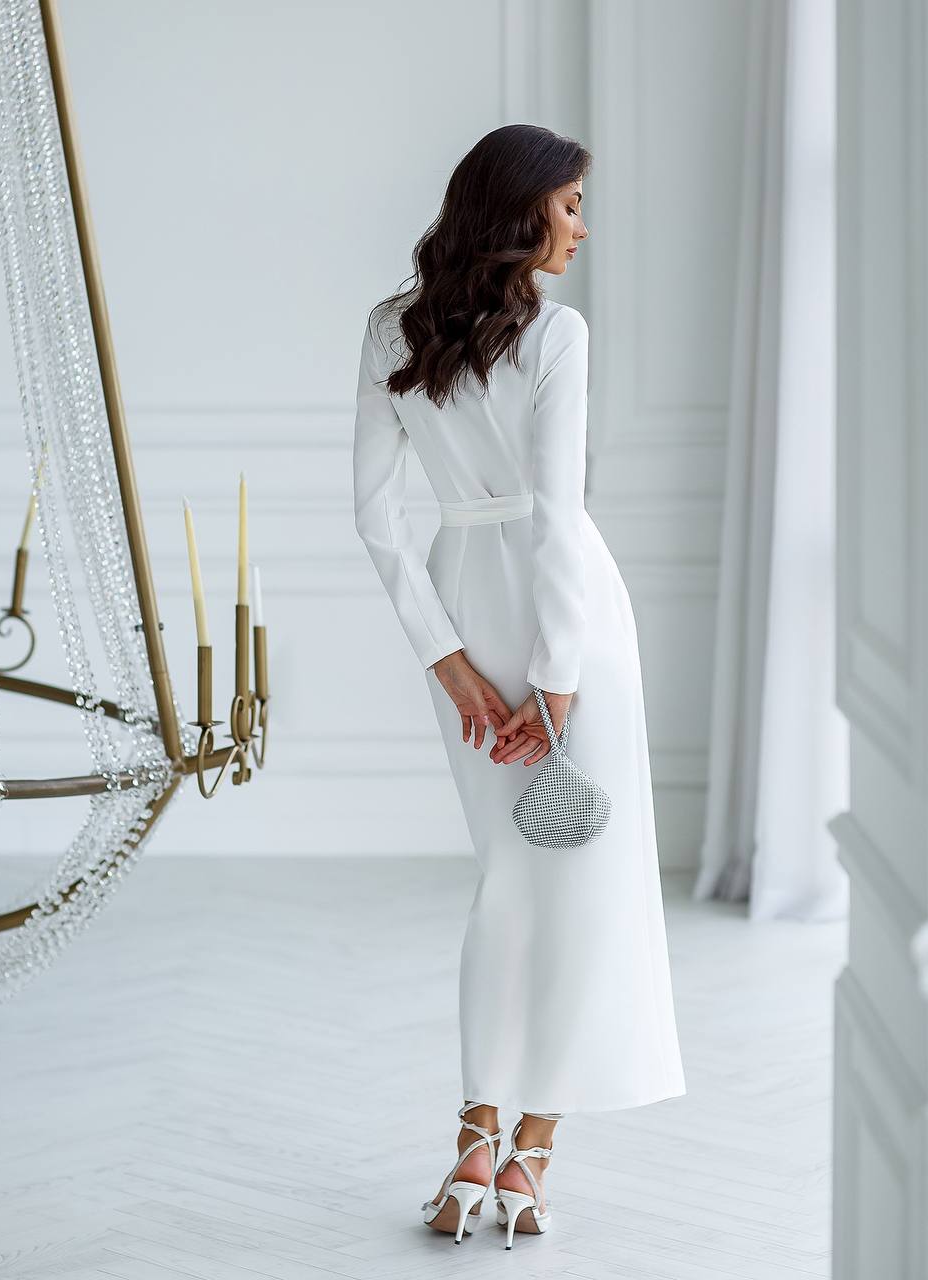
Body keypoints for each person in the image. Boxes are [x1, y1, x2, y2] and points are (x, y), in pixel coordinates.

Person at [351, 124, 686, 1248]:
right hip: (566, 621)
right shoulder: (558, 332)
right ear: (521, 205)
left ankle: (473, 1146)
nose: (582, 226)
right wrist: (559, 680)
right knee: (581, 888)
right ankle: (529, 1157)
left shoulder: (390, 325)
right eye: (571, 203)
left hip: (459, 600)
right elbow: (554, 517)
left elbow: (375, 515)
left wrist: (447, 659)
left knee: (507, 882)